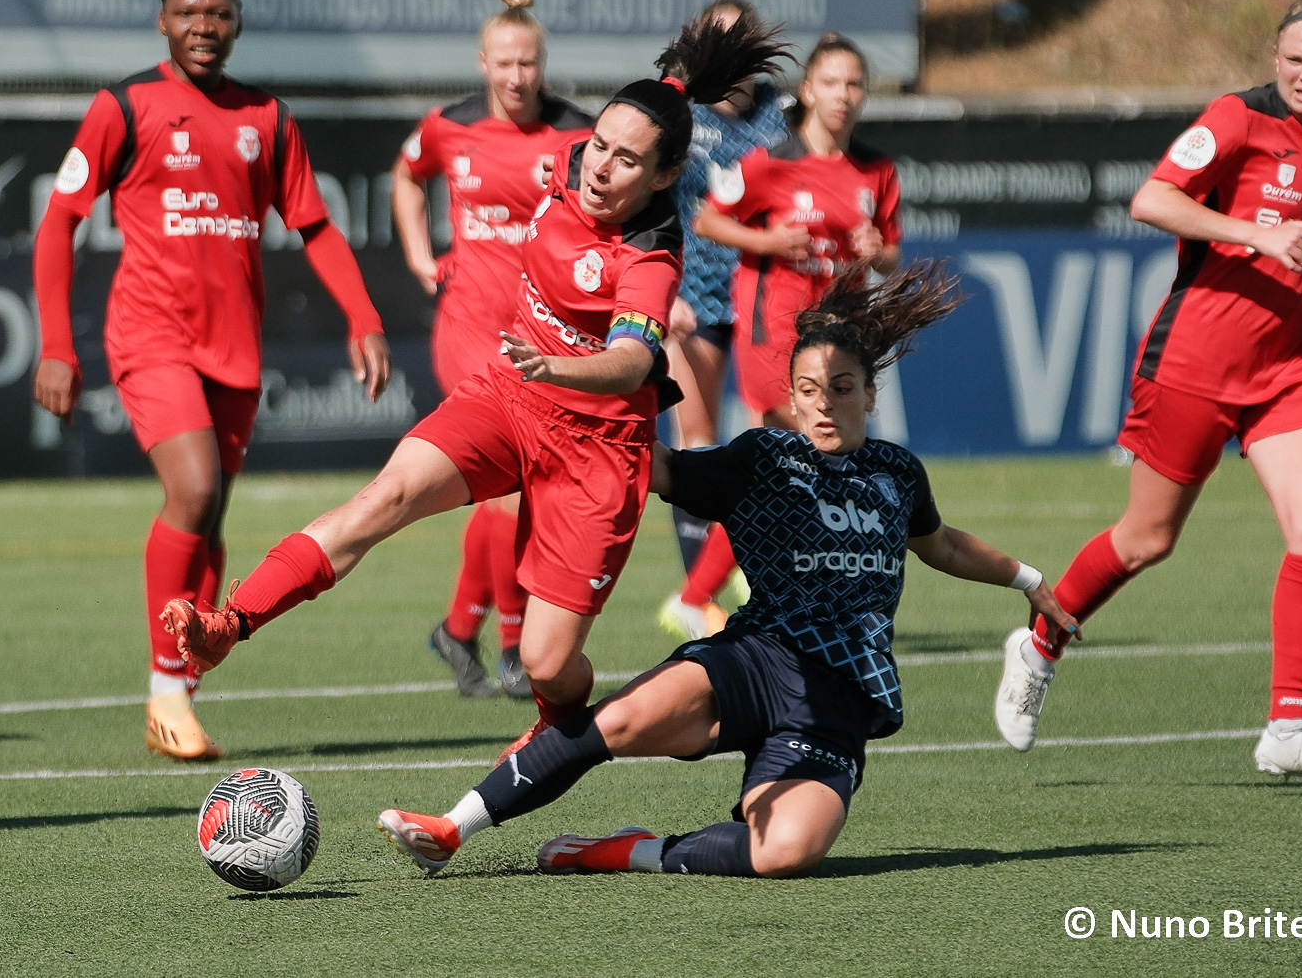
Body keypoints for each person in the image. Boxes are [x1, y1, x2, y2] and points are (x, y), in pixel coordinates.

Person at [164, 11, 791, 763]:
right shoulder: (567, 161)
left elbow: (630, 364)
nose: (599, 168)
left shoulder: (649, 256)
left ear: (662, 177)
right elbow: (640, 107)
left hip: (597, 449)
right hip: (508, 396)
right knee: (381, 500)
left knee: (548, 664)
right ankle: (230, 624)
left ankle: (570, 727)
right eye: (599, 146)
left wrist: (559, 365)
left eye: (626, 161)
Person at [375, 263, 1077, 876]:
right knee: (610, 726)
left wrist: (1029, 581)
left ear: (870, 393)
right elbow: (657, 469)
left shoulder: (897, 473)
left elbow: (943, 544)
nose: (825, 403)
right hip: (753, 660)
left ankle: (626, 851)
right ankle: (450, 829)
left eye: (842, 387)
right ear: (793, 397)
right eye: (810, 389)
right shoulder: (763, 458)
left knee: (786, 855)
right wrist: (580, 411)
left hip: (839, 698)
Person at [993, 0, 1302, 783]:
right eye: (1297, 59)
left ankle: (1288, 725)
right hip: (1197, 360)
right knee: (1147, 540)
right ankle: (1038, 640)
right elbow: (1152, 199)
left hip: (1294, 367)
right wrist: (1252, 235)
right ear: (1276, 56)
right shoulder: (1237, 116)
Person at [33, 0, 392, 762]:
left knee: (212, 519)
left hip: (233, 350)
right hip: (149, 334)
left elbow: (316, 227)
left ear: (238, 24)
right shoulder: (123, 106)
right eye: (190, 12)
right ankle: (165, 692)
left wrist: (363, 315)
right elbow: (58, 223)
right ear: (162, 20)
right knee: (191, 491)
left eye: (220, 14)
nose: (205, 26)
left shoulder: (267, 117)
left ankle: (184, 682)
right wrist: (56, 342)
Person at [664, 32, 903, 638]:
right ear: (807, 91)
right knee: (808, 451)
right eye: (830, 82)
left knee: (785, 470)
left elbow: (890, 254)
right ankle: (701, 597)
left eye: (854, 83)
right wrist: (769, 242)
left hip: (838, 335)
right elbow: (709, 216)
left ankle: (733, 594)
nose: (842, 95)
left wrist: (881, 254)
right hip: (773, 326)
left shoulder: (876, 169)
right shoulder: (774, 160)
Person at [391, 0, 593, 699]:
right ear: (484, 62)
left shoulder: (577, 133)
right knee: (510, 488)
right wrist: (421, 256)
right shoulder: (450, 127)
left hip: (547, 336)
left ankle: (458, 629)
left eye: (529, 63)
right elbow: (407, 175)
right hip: (472, 332)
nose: (517, 77)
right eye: (505, 63)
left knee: (514, 491)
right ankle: (511, 646)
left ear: (543, 63)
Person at [655, 0, 789, 642]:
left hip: (764, 297)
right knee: (698, 441)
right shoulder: (679, 109)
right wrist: (664, 288)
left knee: (770, 442)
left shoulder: (776, 114)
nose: (729, 51)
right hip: (692, 297)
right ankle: (696, 599)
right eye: (718, 38)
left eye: (741, 39)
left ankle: (744, 569)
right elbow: (651, 196)